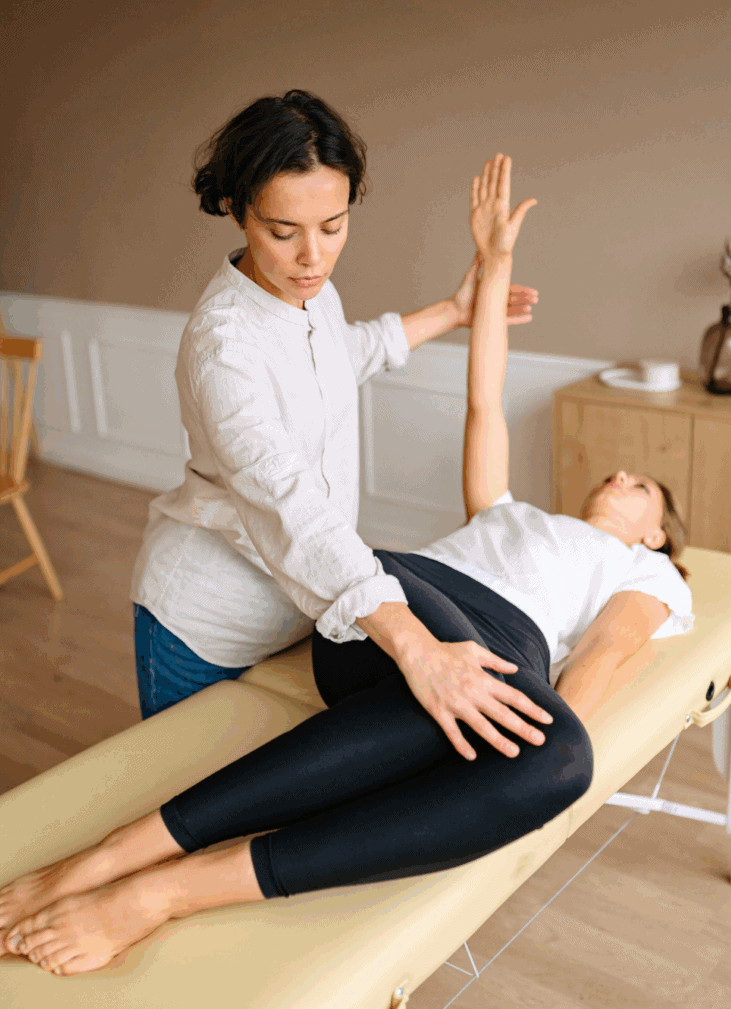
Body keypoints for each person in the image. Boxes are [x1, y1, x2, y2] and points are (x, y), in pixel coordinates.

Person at [0, 155, 694, 976]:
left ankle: (151, 885)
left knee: (552, 754)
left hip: (459, 632)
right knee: (530, 742)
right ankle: (104, 862)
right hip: (383, 600)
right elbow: (480, 404)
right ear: (239, 215)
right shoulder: (508, 509)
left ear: (656, 537)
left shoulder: (648, 575)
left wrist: (481, 284)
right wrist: (430, 658)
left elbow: (602, 655)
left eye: (640, 487)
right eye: (285, 231)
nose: (616, 479)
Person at [129, 89, 538, 740]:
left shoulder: (306, 290)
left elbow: (346, 353)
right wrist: (415, 647)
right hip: (203, 627)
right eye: (282, 232)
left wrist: (454, 311)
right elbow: (287, 500)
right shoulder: (224, 346)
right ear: (236, 209)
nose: (312, 257)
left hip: (297, 613)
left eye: (333, 226)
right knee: (186, 815)